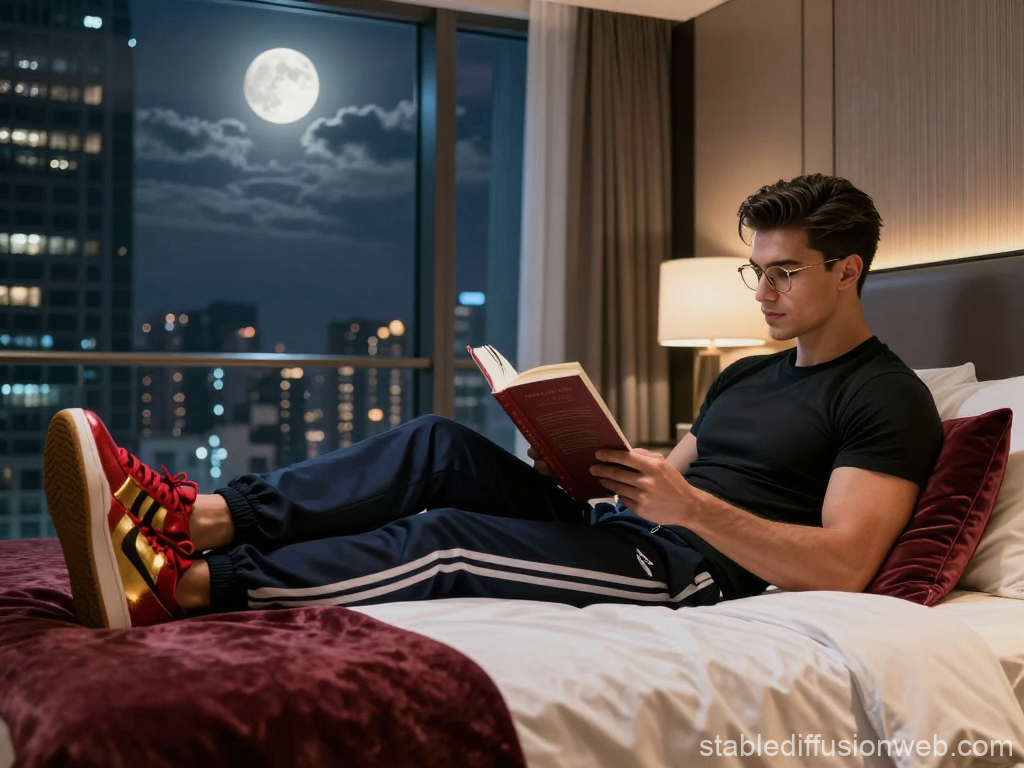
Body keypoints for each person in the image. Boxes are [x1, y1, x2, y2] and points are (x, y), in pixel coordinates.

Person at [43, 174, 943, 630]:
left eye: (785, 272)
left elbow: (846, 565)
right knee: (438, 442)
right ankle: (193, 518)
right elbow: (666, 484)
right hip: (636, 531)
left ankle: (185, 586)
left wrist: (689, 508)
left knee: (447, 540)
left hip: (691, 576)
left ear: (848, 270)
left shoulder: (887, 398)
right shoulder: (745, 374)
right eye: (758, 270)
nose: (764, 292)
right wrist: (590, 463)